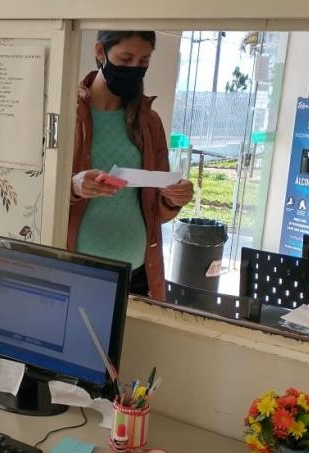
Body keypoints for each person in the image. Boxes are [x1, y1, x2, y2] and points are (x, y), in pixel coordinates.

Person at [68, 31, 193, 300]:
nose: (134, 69)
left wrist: (173, 199)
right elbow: (35, 186)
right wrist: (73, 185)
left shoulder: (149, 122)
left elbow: (157, 212)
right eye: (125, 58)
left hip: (137, 274)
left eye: (143, 61)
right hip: (76, 272)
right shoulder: (68, 113)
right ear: (100, 52)